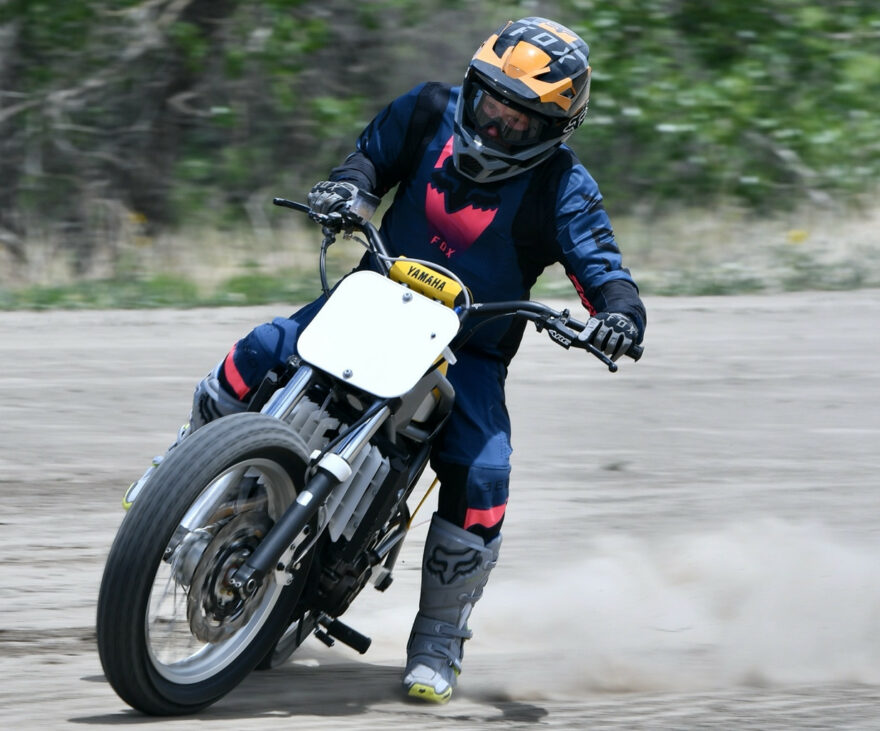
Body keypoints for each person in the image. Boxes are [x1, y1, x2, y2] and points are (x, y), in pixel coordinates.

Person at [125, 16, 646, 704]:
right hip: (372, 297)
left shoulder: (564, 188)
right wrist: (348, 191)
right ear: (473, 87)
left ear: (554, 129)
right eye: (492, 101)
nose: (497, 124)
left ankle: (439, 634)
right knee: (262, 348)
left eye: (520, 119)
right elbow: (367, 160)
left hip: (468, 349)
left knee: (484, 469)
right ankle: (183, 465)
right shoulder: (427, 109)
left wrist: (618, 316)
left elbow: (603, 269)